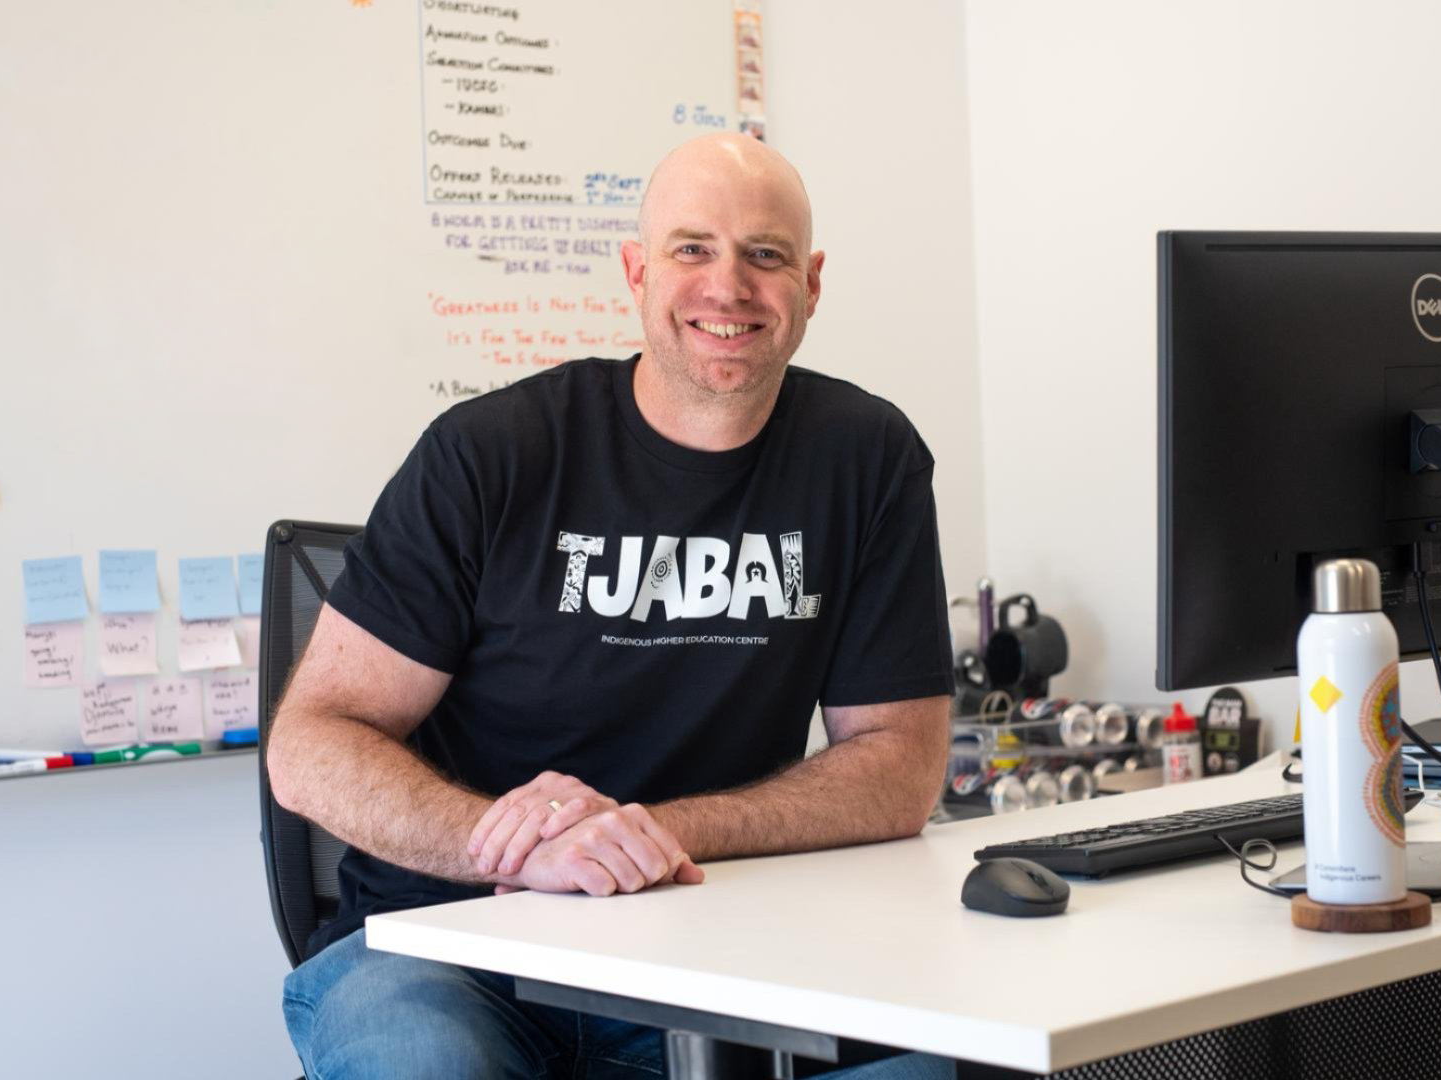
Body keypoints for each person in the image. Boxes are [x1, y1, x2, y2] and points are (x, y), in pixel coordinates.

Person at [267, 132, 956, 1080]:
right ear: (636, 271)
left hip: (719, 948)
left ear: (812, 283)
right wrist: (513, 847)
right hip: (448, 947)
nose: (729, 286)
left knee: (947, 1063)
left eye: (765, 254)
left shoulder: (865, 459)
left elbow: (902, 767)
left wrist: (654, 835)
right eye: (691, 249)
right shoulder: (491, 454)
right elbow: (309, 746)